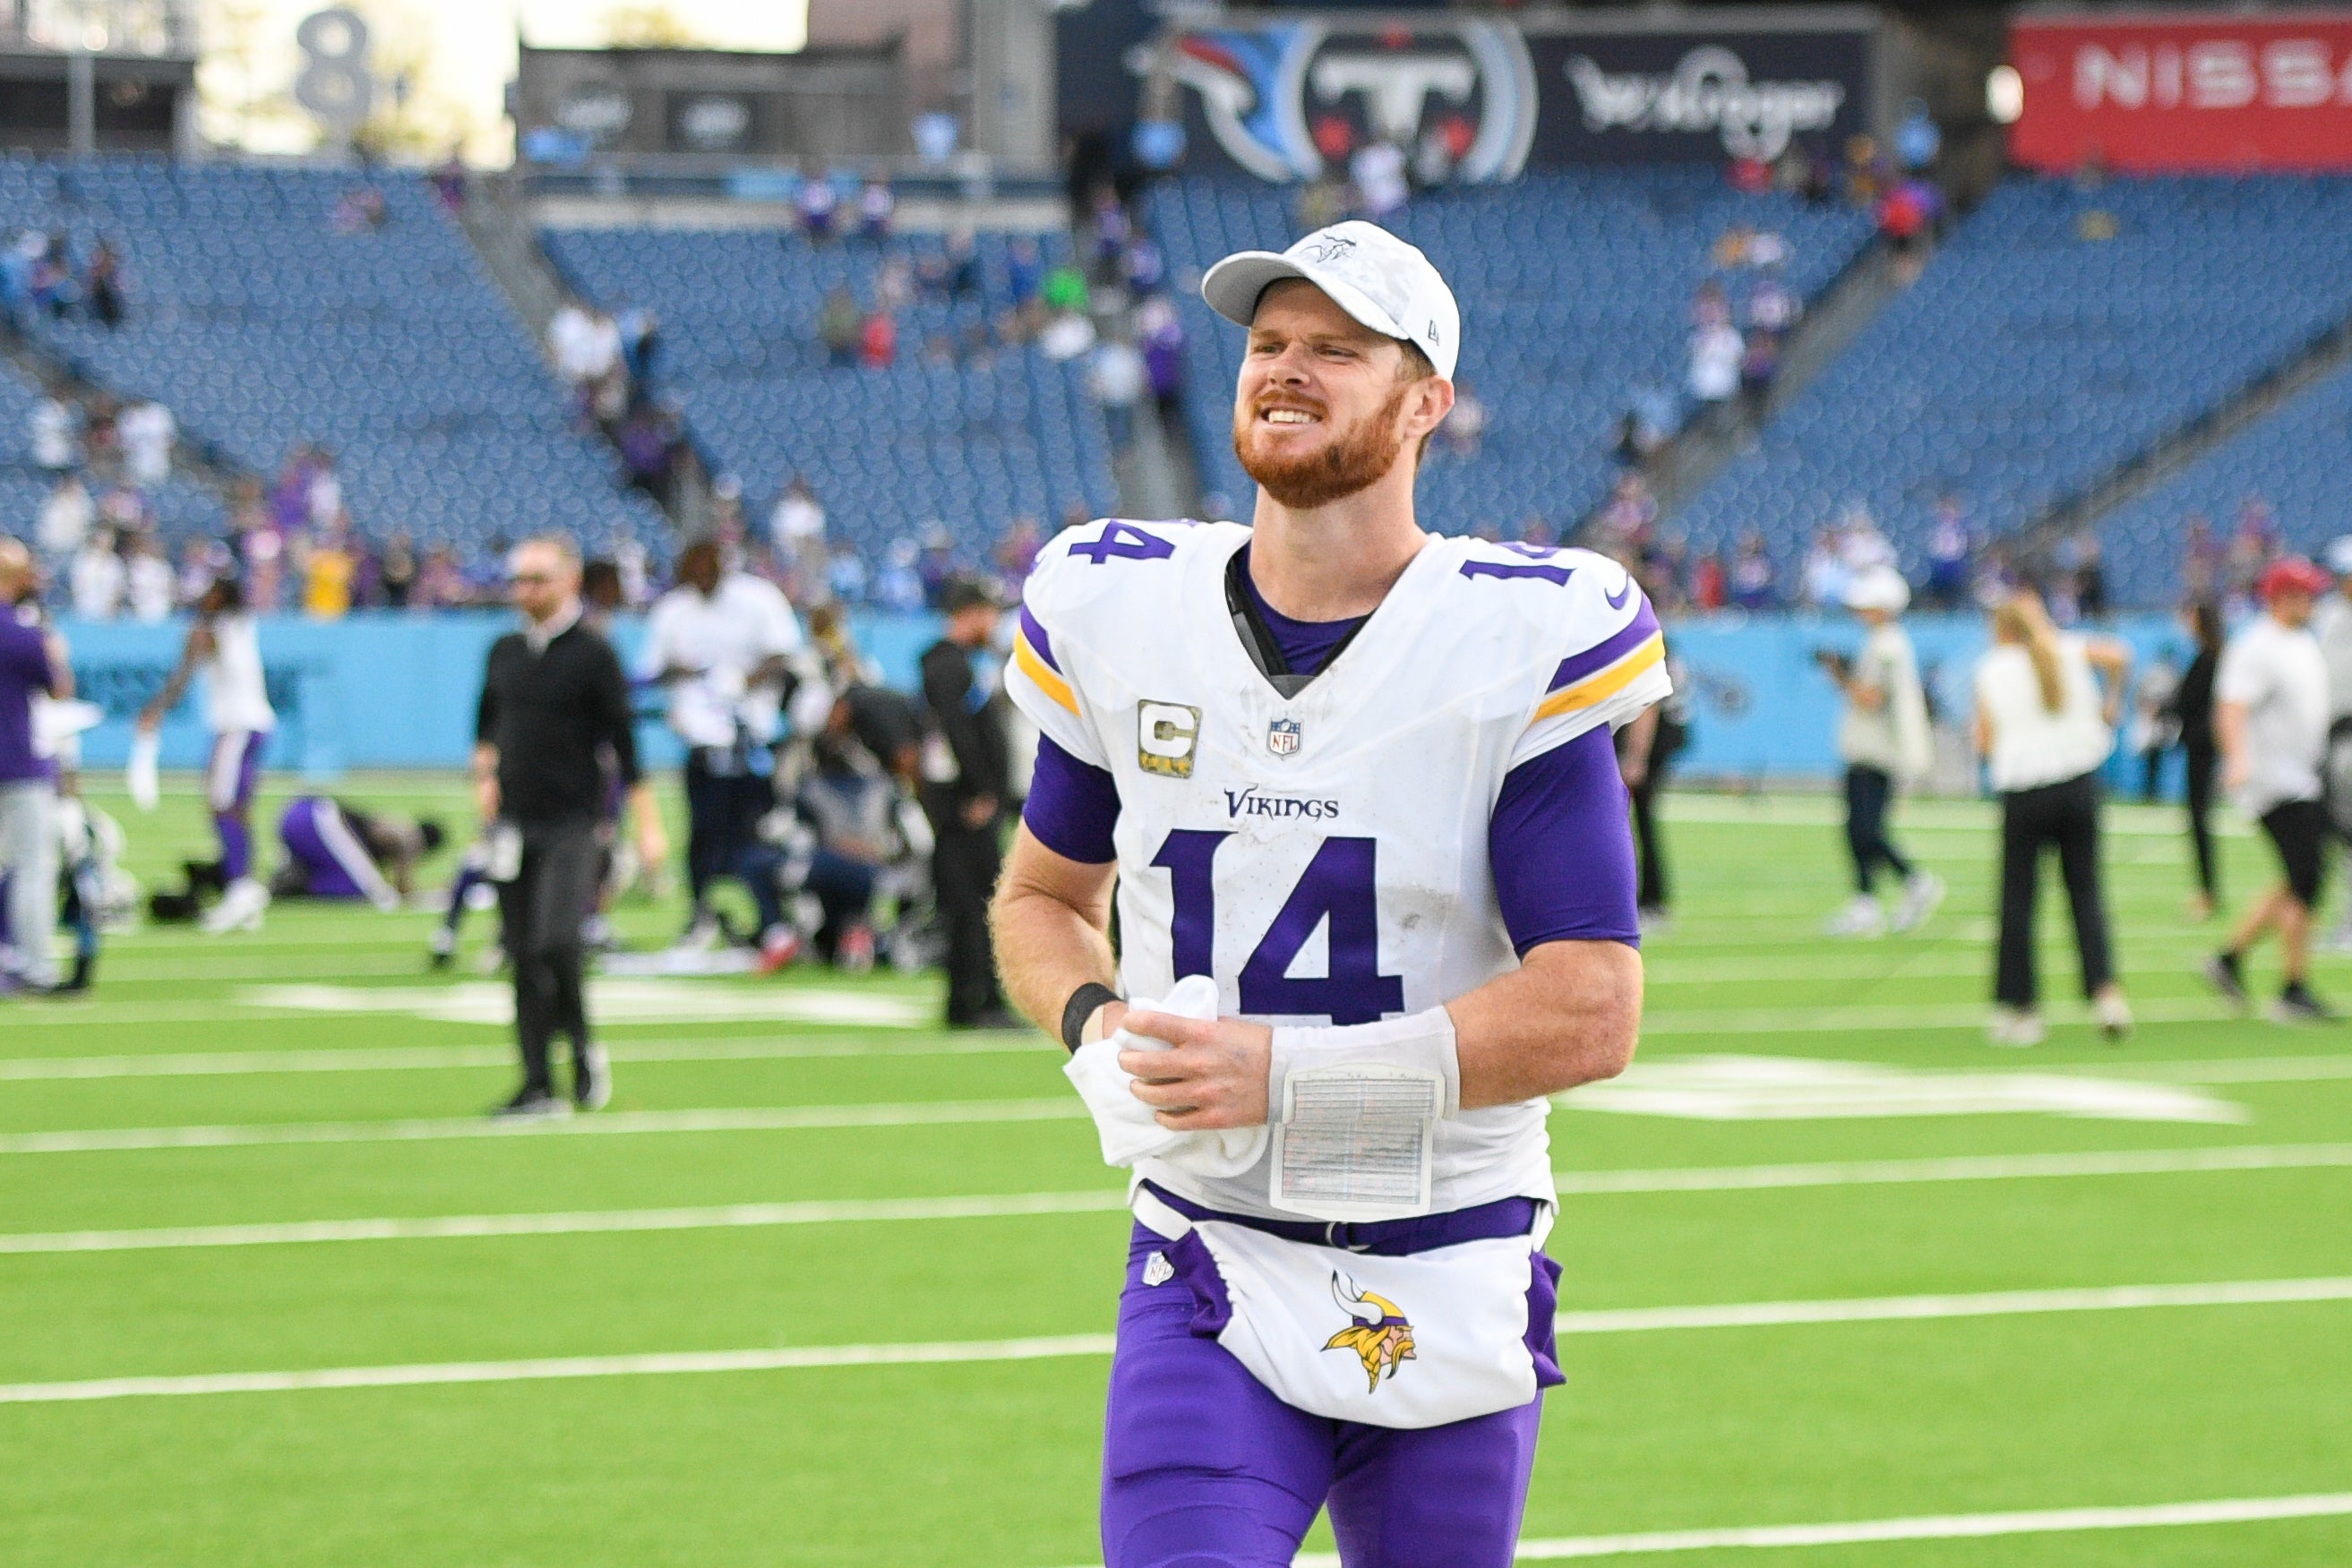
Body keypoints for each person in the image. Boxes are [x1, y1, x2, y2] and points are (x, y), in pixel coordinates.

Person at [991, 221, 1658, 1568]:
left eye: (1335, 350)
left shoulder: (1516, 632)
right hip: (1211, 1250)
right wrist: (1087, 1020)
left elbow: (1591, 1009)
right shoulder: (1119, 603)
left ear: (1425, 403)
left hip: (1452, 1247)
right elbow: (1040, 897)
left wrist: (1282, 1073)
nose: (1285, 370)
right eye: (1269, 344)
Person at [474, 536, 666, 1117]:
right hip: (514, 822)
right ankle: (536, 1080)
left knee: (558, 940)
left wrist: (646, 819)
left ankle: (581, 1049)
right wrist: (484, 773)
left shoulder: (592, 652)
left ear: (568, 581)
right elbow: (486, 719)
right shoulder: (505, 649)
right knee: (521, 952)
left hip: (573, 821)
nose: (526, 590)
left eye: (538, 578)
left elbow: (624, 740)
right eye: (519, 580)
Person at [640, 536, 818, 968]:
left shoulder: (757, 600)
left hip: (752, 740)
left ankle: (769, 920)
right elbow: (650, 670)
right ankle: (703, 913)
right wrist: (682, 673)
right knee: (702, 835)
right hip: (701, 743)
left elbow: (787, 657)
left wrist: (744, 680)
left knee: (757, 835)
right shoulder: (673, 611)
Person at [1972, 589, 2133, 1046]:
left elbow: (1983, 740)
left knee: (2018, 901)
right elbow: (2120, 655)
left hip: (2024, 790)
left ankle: (2022, 1008)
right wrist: (2111, 703)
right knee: (2085, 893)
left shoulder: (1992, 668)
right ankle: (2107, 993)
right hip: (2079, 783)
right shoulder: (2067, 648)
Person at [2204, 557, 2337, 1021]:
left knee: (2305, 877)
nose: (2314, 600)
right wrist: (2238, 758)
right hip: (2274, 780)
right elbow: (2232, 707)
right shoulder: (2256, 646)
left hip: (2302, 775)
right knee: (2307, 877)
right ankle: (2290, 986)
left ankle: (2231, 958)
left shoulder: (2298, 641)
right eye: (2305, 593)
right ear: (2281, 596)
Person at [138, 572, 276, 933]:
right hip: (246, 725)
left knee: (223, 805)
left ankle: (240, 888)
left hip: (237, 726)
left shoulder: (216, 629)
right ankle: (244, 886)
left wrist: (156, 708)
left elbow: (185, 671)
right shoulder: (238, 624)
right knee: (235, 809)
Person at [1820, 566, 1941, 936]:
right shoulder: (1885, 642)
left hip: (1877, 751)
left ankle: (1911, 881)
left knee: (1865, 829)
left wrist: (1839, 675)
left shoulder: (1887, 646)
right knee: (1858, 829)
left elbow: (1871, 698)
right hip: (1874, 750)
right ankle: (1867, 902)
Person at [921, 575, 1014, 1029]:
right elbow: (958, 733)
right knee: (978, 903)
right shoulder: (952, 667)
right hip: (965, 809)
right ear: (971, 612)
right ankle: (980, 1002)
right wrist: (979, 790)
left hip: (957, 806)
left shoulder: (950, 665)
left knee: (968, 903)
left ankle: (965, 1002)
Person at [0, 539, 65, 994]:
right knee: (33, 867)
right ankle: (36, 964)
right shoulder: (24, 636)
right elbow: (59, 686)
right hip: (18, 761)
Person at [1616, 638, 1689, 930]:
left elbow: (1649, 704)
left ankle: (1650, 900)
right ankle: (1649, 900)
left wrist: (1636, 757)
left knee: (1636, 822)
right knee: (1639, 822)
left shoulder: (1645, 642)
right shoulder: (1661, 642)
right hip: (1662, 740)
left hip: (1654, 744)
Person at [270, 796, 443, 909]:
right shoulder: (409, 838)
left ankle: (294, 883)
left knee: (341, 883)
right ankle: (294, 884)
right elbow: (402, 890)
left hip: (295, 813)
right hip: (319, 818)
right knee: (374, 893)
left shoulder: (397, 827)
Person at [2176, 599, 2224, 920]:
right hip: (2200, 745)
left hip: (2202, 747)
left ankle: (2209, 892)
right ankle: (2207, 889)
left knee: (2198, 817)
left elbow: (2191, 703)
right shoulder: (2209, 656)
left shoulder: (2209, 659)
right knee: (2198, 818)